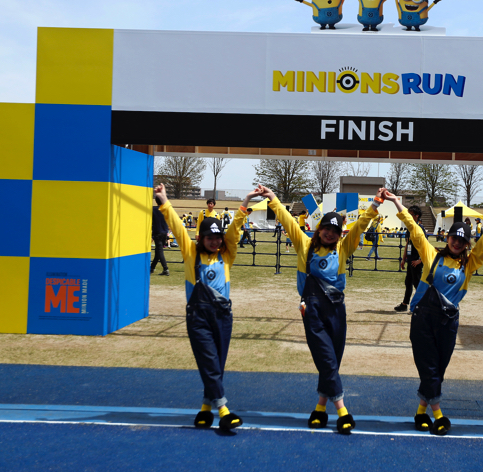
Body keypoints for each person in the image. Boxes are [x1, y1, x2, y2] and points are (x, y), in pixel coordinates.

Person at [383, 189, 483, 436]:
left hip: (448, 321)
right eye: (453, 238)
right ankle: (438, 415)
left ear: (467, 244)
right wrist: (396, 202)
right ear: (447, 238)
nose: (457, 243)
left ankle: (420, 413)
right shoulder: (432, 256)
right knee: (429, 366)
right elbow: (415, 230)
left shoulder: (470, 264)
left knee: (438, 369)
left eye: (462, 241)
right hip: (423, 319)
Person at [261, 184, 381, 434]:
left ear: (339, 234)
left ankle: (319, 409)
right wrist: (272, 199)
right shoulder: (305, 245)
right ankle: (343, 412)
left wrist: (375, 205)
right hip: (313, 310)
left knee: (332, 361)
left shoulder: (343, 248)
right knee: (326, 358)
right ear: (319, 228)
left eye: (335, 231)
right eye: (326, 228)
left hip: (337, 310)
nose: (330, 233)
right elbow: (288, 222)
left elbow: (360, 226)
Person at [154, 183, 260, 432]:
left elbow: (235, 229)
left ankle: (204, 409)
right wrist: (164, 201)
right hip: (198, 317)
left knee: (217, 363)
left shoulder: (227, 255)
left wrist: (246, 201)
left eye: (217, 238)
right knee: (209, 360)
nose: (214, 241)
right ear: (200, 238)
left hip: (223, 316)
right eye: (209, 238)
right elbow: (177, 228)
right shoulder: (191, 253)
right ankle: (223, 410)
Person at [395, 205, 424, 312]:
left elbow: (425, 246)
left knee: (417, 284)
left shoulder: (420, 229)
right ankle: (404, 304)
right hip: (410, 259)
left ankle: (422, 305)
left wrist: (420, 260)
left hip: (416, 261)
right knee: (408, 282)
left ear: (417, 216)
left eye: (411, 214)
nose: (409, 216)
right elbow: (407, 244)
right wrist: (404, 259)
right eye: (409, 214)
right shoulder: (409, 228)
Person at [151, 205, 170, 276]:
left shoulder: (153, 209)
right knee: (158, 251)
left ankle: (165, 269)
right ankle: (152, 268)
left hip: (157, 232)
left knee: (159, 251)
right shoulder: (166, 209)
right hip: (164, 232)